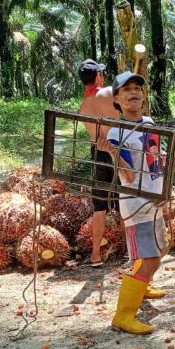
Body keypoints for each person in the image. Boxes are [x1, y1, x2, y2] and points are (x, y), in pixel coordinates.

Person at [100, 72, 175, 335]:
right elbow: (129, 175)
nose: (134, 92)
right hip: (137, 203)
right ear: (117, 99)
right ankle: (123, 316)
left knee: (160, 247)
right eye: (126, 90)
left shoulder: (148, 122)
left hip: (155, 199)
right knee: (151, 258)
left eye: (137, 88)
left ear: (143, 96)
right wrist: (113, 152)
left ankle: (142, 287)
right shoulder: (116, 133)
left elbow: (159, 156)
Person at [77, 59, 119, 268]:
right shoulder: (109, 93)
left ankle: (95, 255)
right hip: (117, 150)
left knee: (99, 207)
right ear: (99, 76)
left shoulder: (83, 105)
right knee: (129, 200)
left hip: (97, 153)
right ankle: (133, 250)